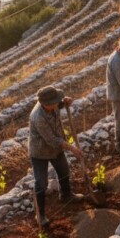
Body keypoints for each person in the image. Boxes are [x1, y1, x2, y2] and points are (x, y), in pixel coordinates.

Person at [29, 86, 85, 227]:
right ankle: (40, 214)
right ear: (46, 104)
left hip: (56, 149)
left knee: (64, 170)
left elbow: (59, 103)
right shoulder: (38, 117)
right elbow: (52, 140)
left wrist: (65, 102)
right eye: (56, 102)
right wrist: (72, 148)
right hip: (40, 152)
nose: (57, 103)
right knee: (41, 183)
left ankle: (66, 195)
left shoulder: (51, 104)